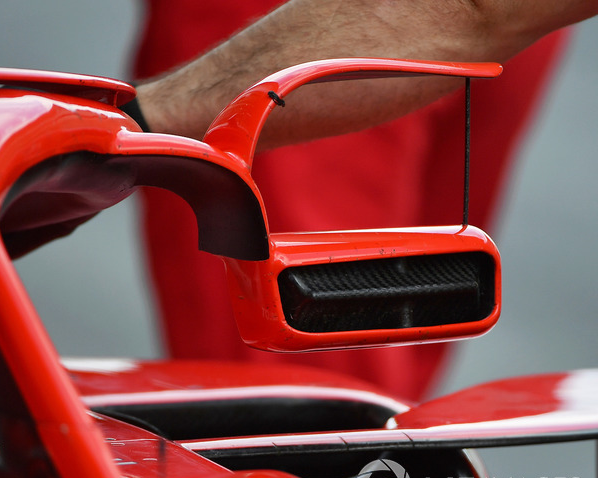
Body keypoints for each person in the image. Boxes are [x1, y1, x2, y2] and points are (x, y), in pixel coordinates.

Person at [128, 0, 591, 401]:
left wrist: (132, 128)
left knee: (298, 398)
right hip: (507, 23)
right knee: (383, 370)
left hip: (311, 21)